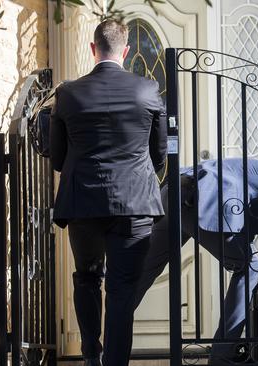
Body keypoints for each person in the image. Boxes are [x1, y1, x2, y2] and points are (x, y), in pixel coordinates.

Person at [134, 158, 258, 364]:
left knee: (142, 274)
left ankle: (110, 348)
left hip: (174, 193)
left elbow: (247, 233)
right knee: (249, 268)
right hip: (199, 199)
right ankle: (222, 356)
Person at [49, 19, 166, 366]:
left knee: (87, 276)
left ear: (92, 48)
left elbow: (57, 158)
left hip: (83, 202)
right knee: (121, 289)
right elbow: (159, 155)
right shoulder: (147, 89)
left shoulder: (68, 93)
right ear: (126, 51)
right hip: (134, 205)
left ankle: (90, 354)